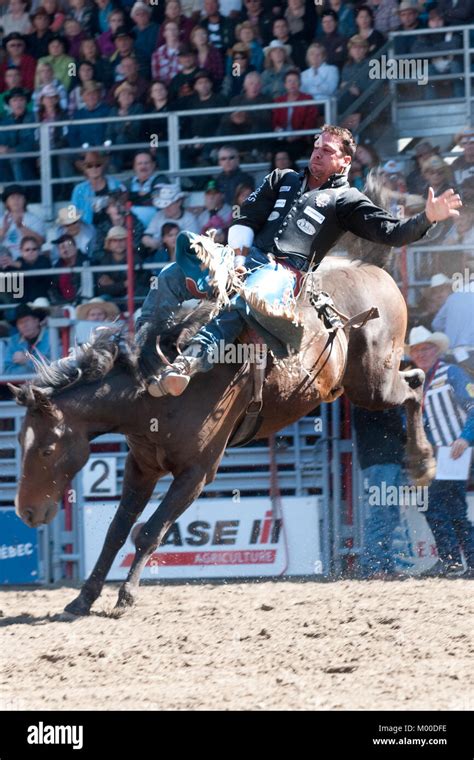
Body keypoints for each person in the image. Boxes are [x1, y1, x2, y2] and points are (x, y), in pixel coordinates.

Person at [139, 124, 461, 397]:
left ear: (345, 162)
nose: (317, 153)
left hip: (284, 274)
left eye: (328, 151)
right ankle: (144, 350)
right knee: (174, 270)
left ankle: (190, 361)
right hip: (242, 255)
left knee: (246, 298)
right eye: (317, 147)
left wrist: (428, 218)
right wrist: (237, 258)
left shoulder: (346, 200)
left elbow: (391, 232)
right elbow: (245, 220)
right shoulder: (282, 178)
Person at [407, 325, 474, 576]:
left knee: (438, 505)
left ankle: (451, 560)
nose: (422, 354)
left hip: (453, 452)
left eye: (426, 349)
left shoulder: (452, 373)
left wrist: (465, 438)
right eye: (417, 350)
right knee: (445, 507)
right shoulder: (414, 383)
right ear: (412, 354)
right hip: (433, 456)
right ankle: (454, 560)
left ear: (435, 350)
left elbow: (473, 407)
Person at [353, 406, 406, 578]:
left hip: (385, 459)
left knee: (387, 514)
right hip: (381, 459)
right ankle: (374, 566)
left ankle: (383, 566)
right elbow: (394, 423)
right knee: (382, 514)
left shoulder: (370, 401)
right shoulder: (369, 401)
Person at [71, 151, 125, 225]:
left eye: (98, 165)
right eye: (89, 166)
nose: (94, 168)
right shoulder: (79, 189)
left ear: (103, 166)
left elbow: (124, 203)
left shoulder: (116, 184)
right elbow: (72, 214)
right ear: (85, 169)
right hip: (88, 230)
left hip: (113, 229)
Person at [142, 185, 199, 251]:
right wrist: (152, 243)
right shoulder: (159, 215)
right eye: (164, 204)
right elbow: (147, 236)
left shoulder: (189, 219)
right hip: (159, 255)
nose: (167, 207)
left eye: (170, 204)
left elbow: (191, 244)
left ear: (179, 202)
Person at [4, 301, 50, 375]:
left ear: (37, 320)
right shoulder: (13, 341)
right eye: (20, 322)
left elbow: (51, 367)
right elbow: (7, 371)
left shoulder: (51, 337)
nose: (24, 325)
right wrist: (34, 366)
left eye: (27, 321)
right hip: (20, 385)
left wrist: (27, 361)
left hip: (49, 384)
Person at [0, 185, 45, 259]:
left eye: (19, 197)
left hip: (28, 262)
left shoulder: (35, 220)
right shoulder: (1, 220)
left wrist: (21, 227)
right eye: (12, 198)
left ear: (24, 200)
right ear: (6, 202)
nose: (16, 200)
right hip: (5, 263)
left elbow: (40, 242)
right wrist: (4, 230)